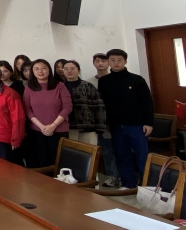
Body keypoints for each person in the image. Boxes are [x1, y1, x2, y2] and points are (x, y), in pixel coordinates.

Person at [98, 49, 154, 189]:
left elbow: (147, 102)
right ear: (108, 62)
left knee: (142, 157)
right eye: (113, 60)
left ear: (125, 61)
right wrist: (106, 123)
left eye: (119, 60)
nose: (116, 63)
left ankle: (148, 187)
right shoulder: (104, 81)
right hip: (116, 126)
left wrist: (148, 123)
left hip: (137, 125)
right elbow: (103, 104)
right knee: (122, 156)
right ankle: (129, 184)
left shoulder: (136, 80)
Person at [23, 59, 73, 167]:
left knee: (59, 162)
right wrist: (42, 127)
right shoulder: (28, 88)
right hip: (37, 131)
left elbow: (67, 107)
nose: (40, 71)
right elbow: (27, 109)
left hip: (59, 130)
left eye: (43, 68)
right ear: (32, 71)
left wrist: (53, 125)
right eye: (36, 69)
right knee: (42, 162)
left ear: (49, 70)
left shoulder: (60, 86)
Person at [86, 52, 118, 186]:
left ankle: (124, 177)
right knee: (107, 151)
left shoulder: (115, 79)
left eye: (103, 61)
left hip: (116, 121)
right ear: (93, 63)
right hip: (99, 123)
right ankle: (113, 176)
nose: (100, 64)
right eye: (97, 61)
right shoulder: (89, 82)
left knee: (119, 150)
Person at [62, 60, 106, 146]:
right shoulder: (59, 87)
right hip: (67, 128)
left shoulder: (88, 86)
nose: (69, 71)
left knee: (89, 152)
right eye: (66, 69)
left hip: (88, 127)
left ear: (79, 70)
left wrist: (100, 127)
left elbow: (99, 106)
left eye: (72, 68)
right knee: (70, 153)